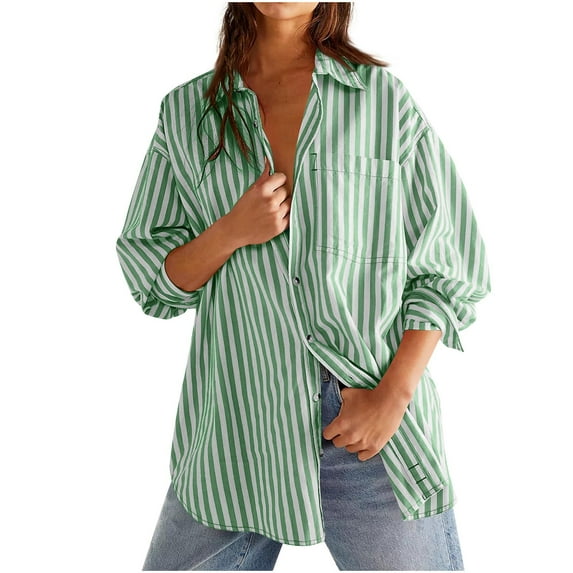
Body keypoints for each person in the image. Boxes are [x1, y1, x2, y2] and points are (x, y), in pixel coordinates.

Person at [115, 2, 491, 570]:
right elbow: (152, 280)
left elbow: (448, 264)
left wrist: (393, 397)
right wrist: (230, 232)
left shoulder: (381, 102)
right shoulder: (188, 113)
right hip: (236, 428)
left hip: (366, 425)